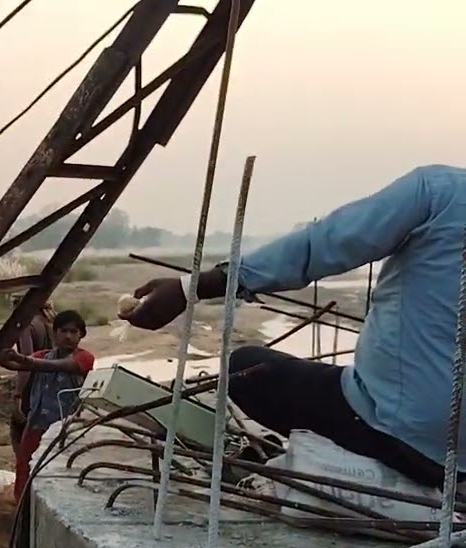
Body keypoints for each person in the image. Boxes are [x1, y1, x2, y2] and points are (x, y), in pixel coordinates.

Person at [119, 164, 466, 492]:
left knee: (247, 367)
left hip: (396, 430)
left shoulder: (441, 191)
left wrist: (189, 288)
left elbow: (323, 245)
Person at [0, 309, 96, 501]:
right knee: (24, 466)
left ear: (81, 335)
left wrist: (23, 359)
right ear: (55, 333)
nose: (68, 336)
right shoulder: (42, 355)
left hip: (65, 428)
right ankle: (21, 509)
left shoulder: (84, 358)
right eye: (63, 331)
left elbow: (58, 366)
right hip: (37, 422)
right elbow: (17, 366)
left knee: (58, 470)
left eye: (73, 332)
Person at [10, 296, 56, 459]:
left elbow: (27, 362)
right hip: (51, 384)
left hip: (32, 387)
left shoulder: (26, 326)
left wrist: (18, 394)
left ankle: (25, 475)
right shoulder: (50, 322)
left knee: (20, 434)